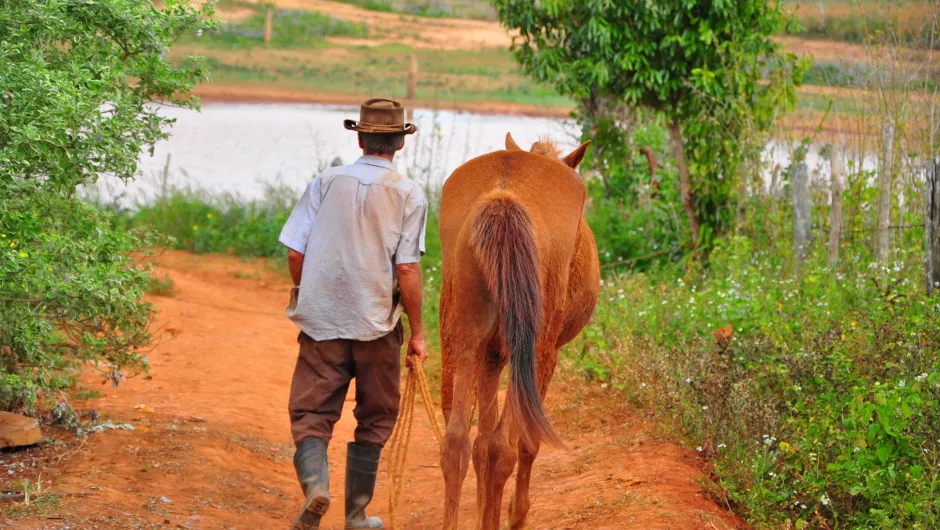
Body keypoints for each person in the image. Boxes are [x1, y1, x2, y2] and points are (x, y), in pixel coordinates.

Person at [278, 99, 429, 530]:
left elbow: (295, 249)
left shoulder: (325, 182)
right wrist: (417, 332)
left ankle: (315, 487)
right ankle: (357, 515)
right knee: (376, 415)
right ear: (399, 144)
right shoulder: (408, 193)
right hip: (377, 323)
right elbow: (406, 268)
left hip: (322, 321)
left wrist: (311, 293)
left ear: (360, 138)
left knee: (311, 412)